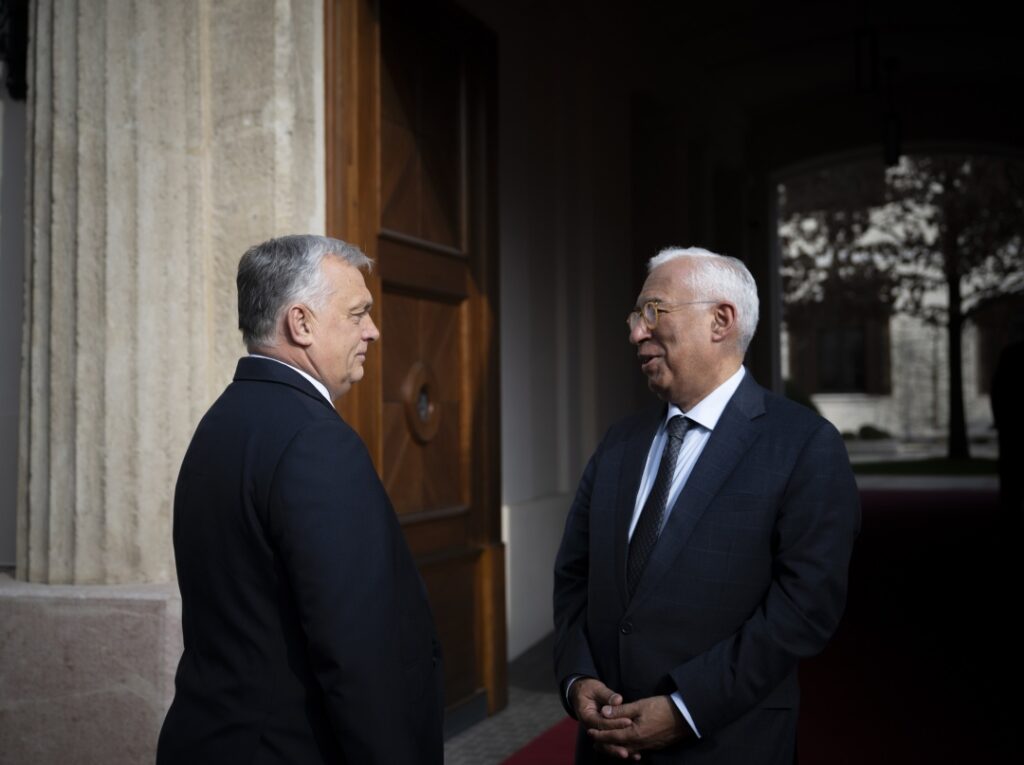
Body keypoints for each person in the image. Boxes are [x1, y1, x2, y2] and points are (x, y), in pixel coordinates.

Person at [553, 247, 860, 764]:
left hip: (726, 742)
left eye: (653, 312)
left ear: (721, 320)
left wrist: (684, 706)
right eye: (635, 317)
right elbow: (574, 576)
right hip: (606, 747)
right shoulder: (620, 442)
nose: (635, 333)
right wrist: (577, 677)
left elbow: (805, 608)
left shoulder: (804, 445)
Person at [156, 235, 443, 764]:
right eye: (358, 313)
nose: (372, 331)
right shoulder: (315, 440)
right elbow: (355, 652)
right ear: (301, 323)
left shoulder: (220, 422)